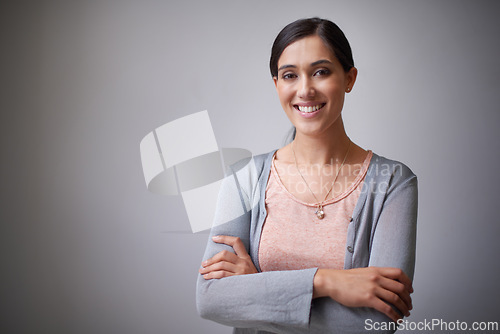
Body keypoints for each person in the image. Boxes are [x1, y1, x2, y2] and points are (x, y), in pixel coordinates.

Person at [196, 17, 418, 334]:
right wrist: (325, 280)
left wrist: (256, 287)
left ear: (349, 78)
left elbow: (377, 322)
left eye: (321, 72)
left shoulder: (394, 183)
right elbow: (210, 299)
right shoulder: (244, 178)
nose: (305, 89)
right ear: (277, 85)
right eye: (290, 75)